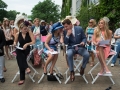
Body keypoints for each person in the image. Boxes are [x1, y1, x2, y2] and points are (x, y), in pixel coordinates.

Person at [13, 21, 35, 85]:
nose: (26, 30)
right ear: (21, 29)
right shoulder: (18, 34)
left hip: (27, 48)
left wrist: (27, 44)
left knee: (19, 58)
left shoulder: (29, 32)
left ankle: (22, 78)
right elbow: (15, 42)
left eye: (27, 28)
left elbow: (33, 41)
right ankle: (26, 67)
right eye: (24, 29)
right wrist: (14, 44)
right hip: (20, 49)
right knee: (19, 53)